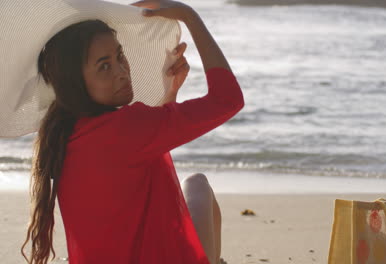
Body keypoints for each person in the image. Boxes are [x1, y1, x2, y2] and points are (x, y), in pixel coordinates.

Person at [20, 0, 244, 263]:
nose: (122, 72)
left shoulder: (62, 132)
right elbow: (228, 99)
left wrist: (169, 95)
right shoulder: (128, 127)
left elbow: (137, 176)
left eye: (120, 56)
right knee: (197, 185)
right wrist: (189, 16)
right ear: (76, 81)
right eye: (104, 66)